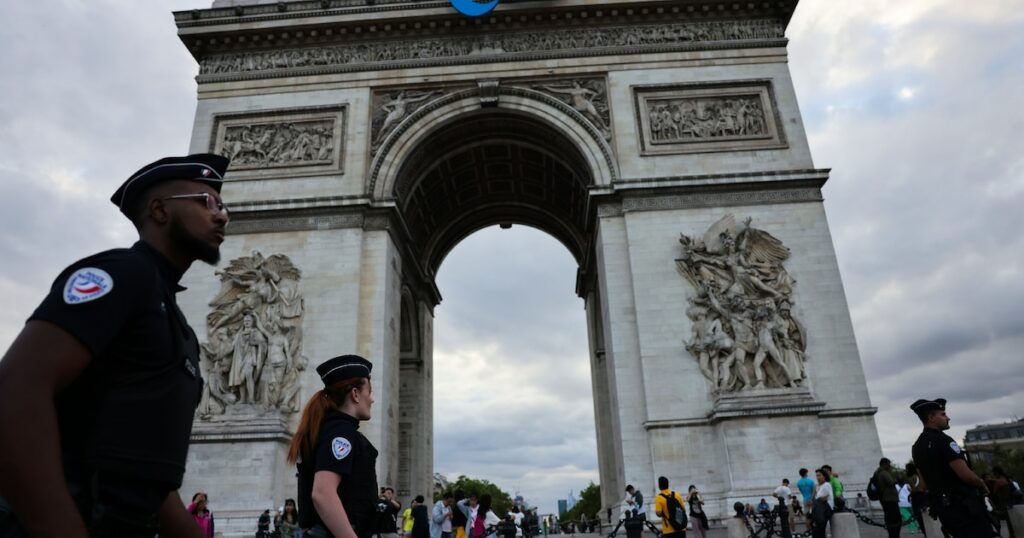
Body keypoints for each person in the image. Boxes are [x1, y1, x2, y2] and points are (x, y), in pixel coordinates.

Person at [0, 153, 230, 536]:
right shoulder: (120, 274)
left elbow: (148, 477)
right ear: (159, 211)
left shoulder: (177, 326)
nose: (221, 215)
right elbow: (16, 390)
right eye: (206, 202)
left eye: (223, 206)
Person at [289, 354, 378, 537]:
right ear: (355, 394)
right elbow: (322, 493)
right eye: (369, 392)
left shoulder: (330, 429)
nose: (372, 399)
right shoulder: (340, 433)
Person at [910, 398, 996, 537]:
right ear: (931, 417)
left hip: (944, 509)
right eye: (943, 414)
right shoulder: (944, 441)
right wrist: (981, 484)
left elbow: (923, 483)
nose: (948, 418)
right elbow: (966, 476)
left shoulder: (917, 447)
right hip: (963, 507)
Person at [873, 458, 901, 538]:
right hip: (890, 498)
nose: (890, 466)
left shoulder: (878, 472)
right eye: (889, 464)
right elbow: (891, 482)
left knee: (890, 518)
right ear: (884, 464)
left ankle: (892, 534)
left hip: (885, 499)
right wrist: (897, 479)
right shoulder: (884, 473)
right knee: (895, 519)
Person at [906, 462, 929, 536]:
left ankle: (925, 533)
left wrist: (910, 494)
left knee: (919, 517)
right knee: (925, 518)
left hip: (916, 497)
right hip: (923, 496)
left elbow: (913, 489)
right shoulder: (920, 475)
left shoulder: (911, 477)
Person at [810, 468, 834, 538]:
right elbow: (816, 498)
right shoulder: (819, 486)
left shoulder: (826, 485)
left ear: (824, 476)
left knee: (819, 533)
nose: (818, 478)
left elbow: (823, 498)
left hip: (824, 513)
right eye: (817, 476)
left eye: (819, 475)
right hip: (819, 513)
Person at [795, 468, 816, 532]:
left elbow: (801, 491)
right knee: (815, 515)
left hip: (805, 499)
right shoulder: (811, 481)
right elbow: (814, 491)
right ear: (806, 473)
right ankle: (814, 531)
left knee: (807, 516)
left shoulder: (798, 483)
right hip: (813, 499)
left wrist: (807, 498)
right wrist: (811, 499)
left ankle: (808, 531)